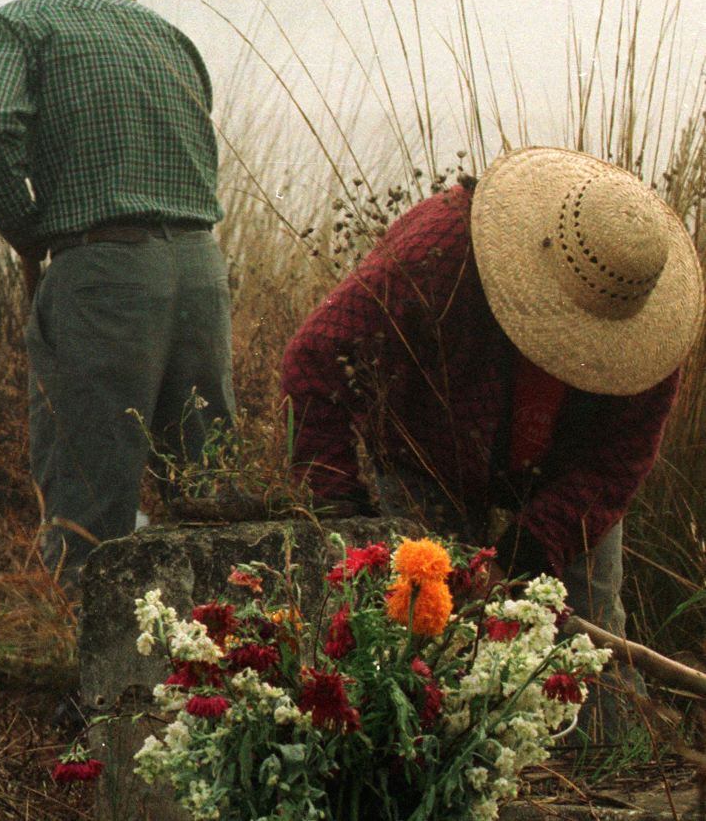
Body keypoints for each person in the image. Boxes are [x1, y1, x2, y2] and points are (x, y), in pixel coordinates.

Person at [283, 147, 704, 729]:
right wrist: (340, 505)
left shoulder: (649, 319)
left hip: (562, 478)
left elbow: (615, 464)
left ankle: (603, 766)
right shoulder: (443, 247)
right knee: (428, 645)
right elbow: (314, 359)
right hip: (428, 455)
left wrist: (529, 553)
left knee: (592, 653)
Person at [0, 0, 235, 598]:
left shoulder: (20, 24)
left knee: (87, 510)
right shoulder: (170, 36)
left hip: (104, 277)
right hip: (202, 273)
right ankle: (229, 674)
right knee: (214, 498)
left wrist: (29, 233)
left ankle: (90, 694)